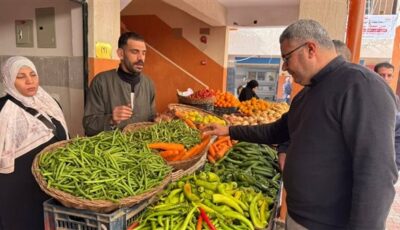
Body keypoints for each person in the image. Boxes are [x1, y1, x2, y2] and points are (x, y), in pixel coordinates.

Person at [203, 19, 398, 229]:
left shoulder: (361, 86)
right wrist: (228, 130)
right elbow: (276, 131)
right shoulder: (306, 94)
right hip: (298, 216)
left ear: (310, 49)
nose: (285, 67)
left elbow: (376, 173)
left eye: (287, 58)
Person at [0, 56, 69, 230]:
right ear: (8, 79)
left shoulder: (50, 104)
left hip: (49, 184)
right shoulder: (3, 109)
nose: (29, 81)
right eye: (21, 76)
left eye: (33, 74)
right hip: (19, 189)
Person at [83, 32, 156, 136]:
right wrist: (111, 119)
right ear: (121, 54)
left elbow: (151, 119)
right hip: (111, 150)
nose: (141, 58)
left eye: (143, 53)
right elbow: (88, 125)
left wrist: (158, 119)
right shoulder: (101, 82)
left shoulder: (149, 84)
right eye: (135, 52)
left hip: (144, 148)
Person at [374, 62, 400, 171]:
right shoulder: (364, 93)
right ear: (374, 74)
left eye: (389, 75)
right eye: (382, 75)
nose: (385, 78)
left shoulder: (395, 98)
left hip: (389, 144)